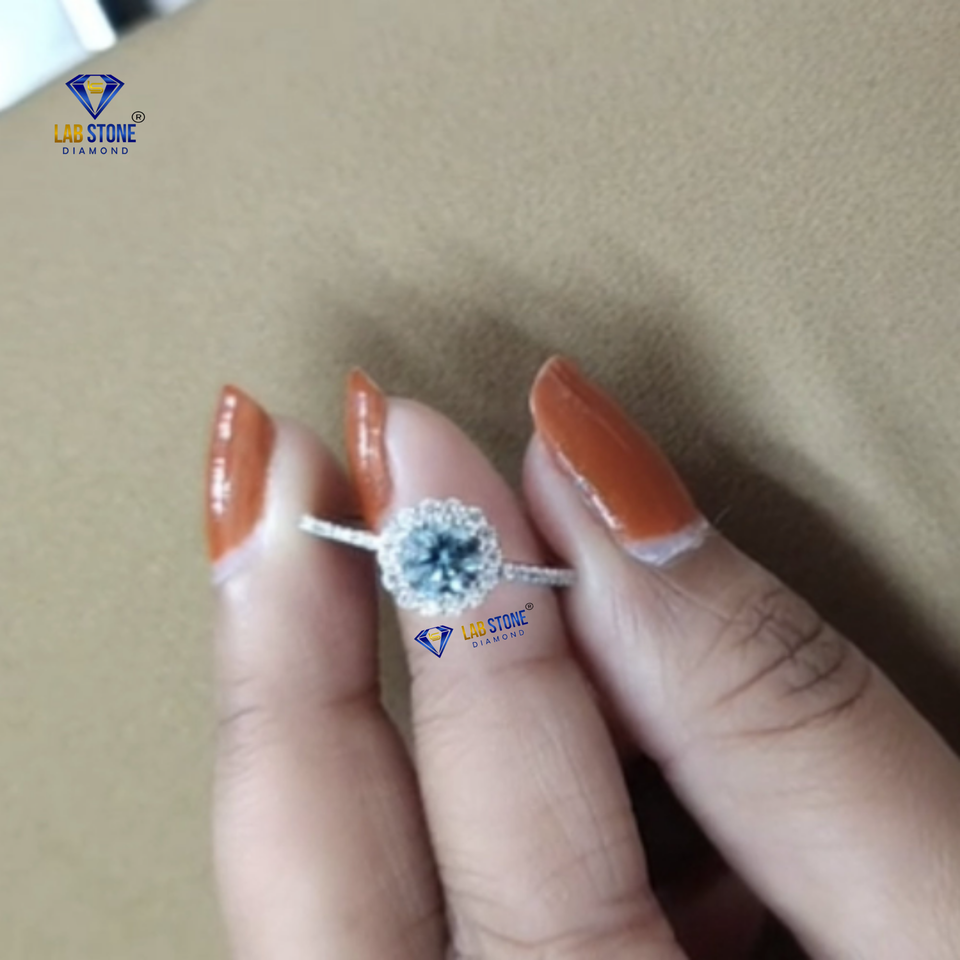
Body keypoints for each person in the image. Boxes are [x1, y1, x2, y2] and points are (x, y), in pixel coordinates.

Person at [203, 356, 960, 959]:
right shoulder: (467, 624)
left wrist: (463, 632)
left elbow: (468, 637)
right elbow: (465, 637)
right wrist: (462, 632)